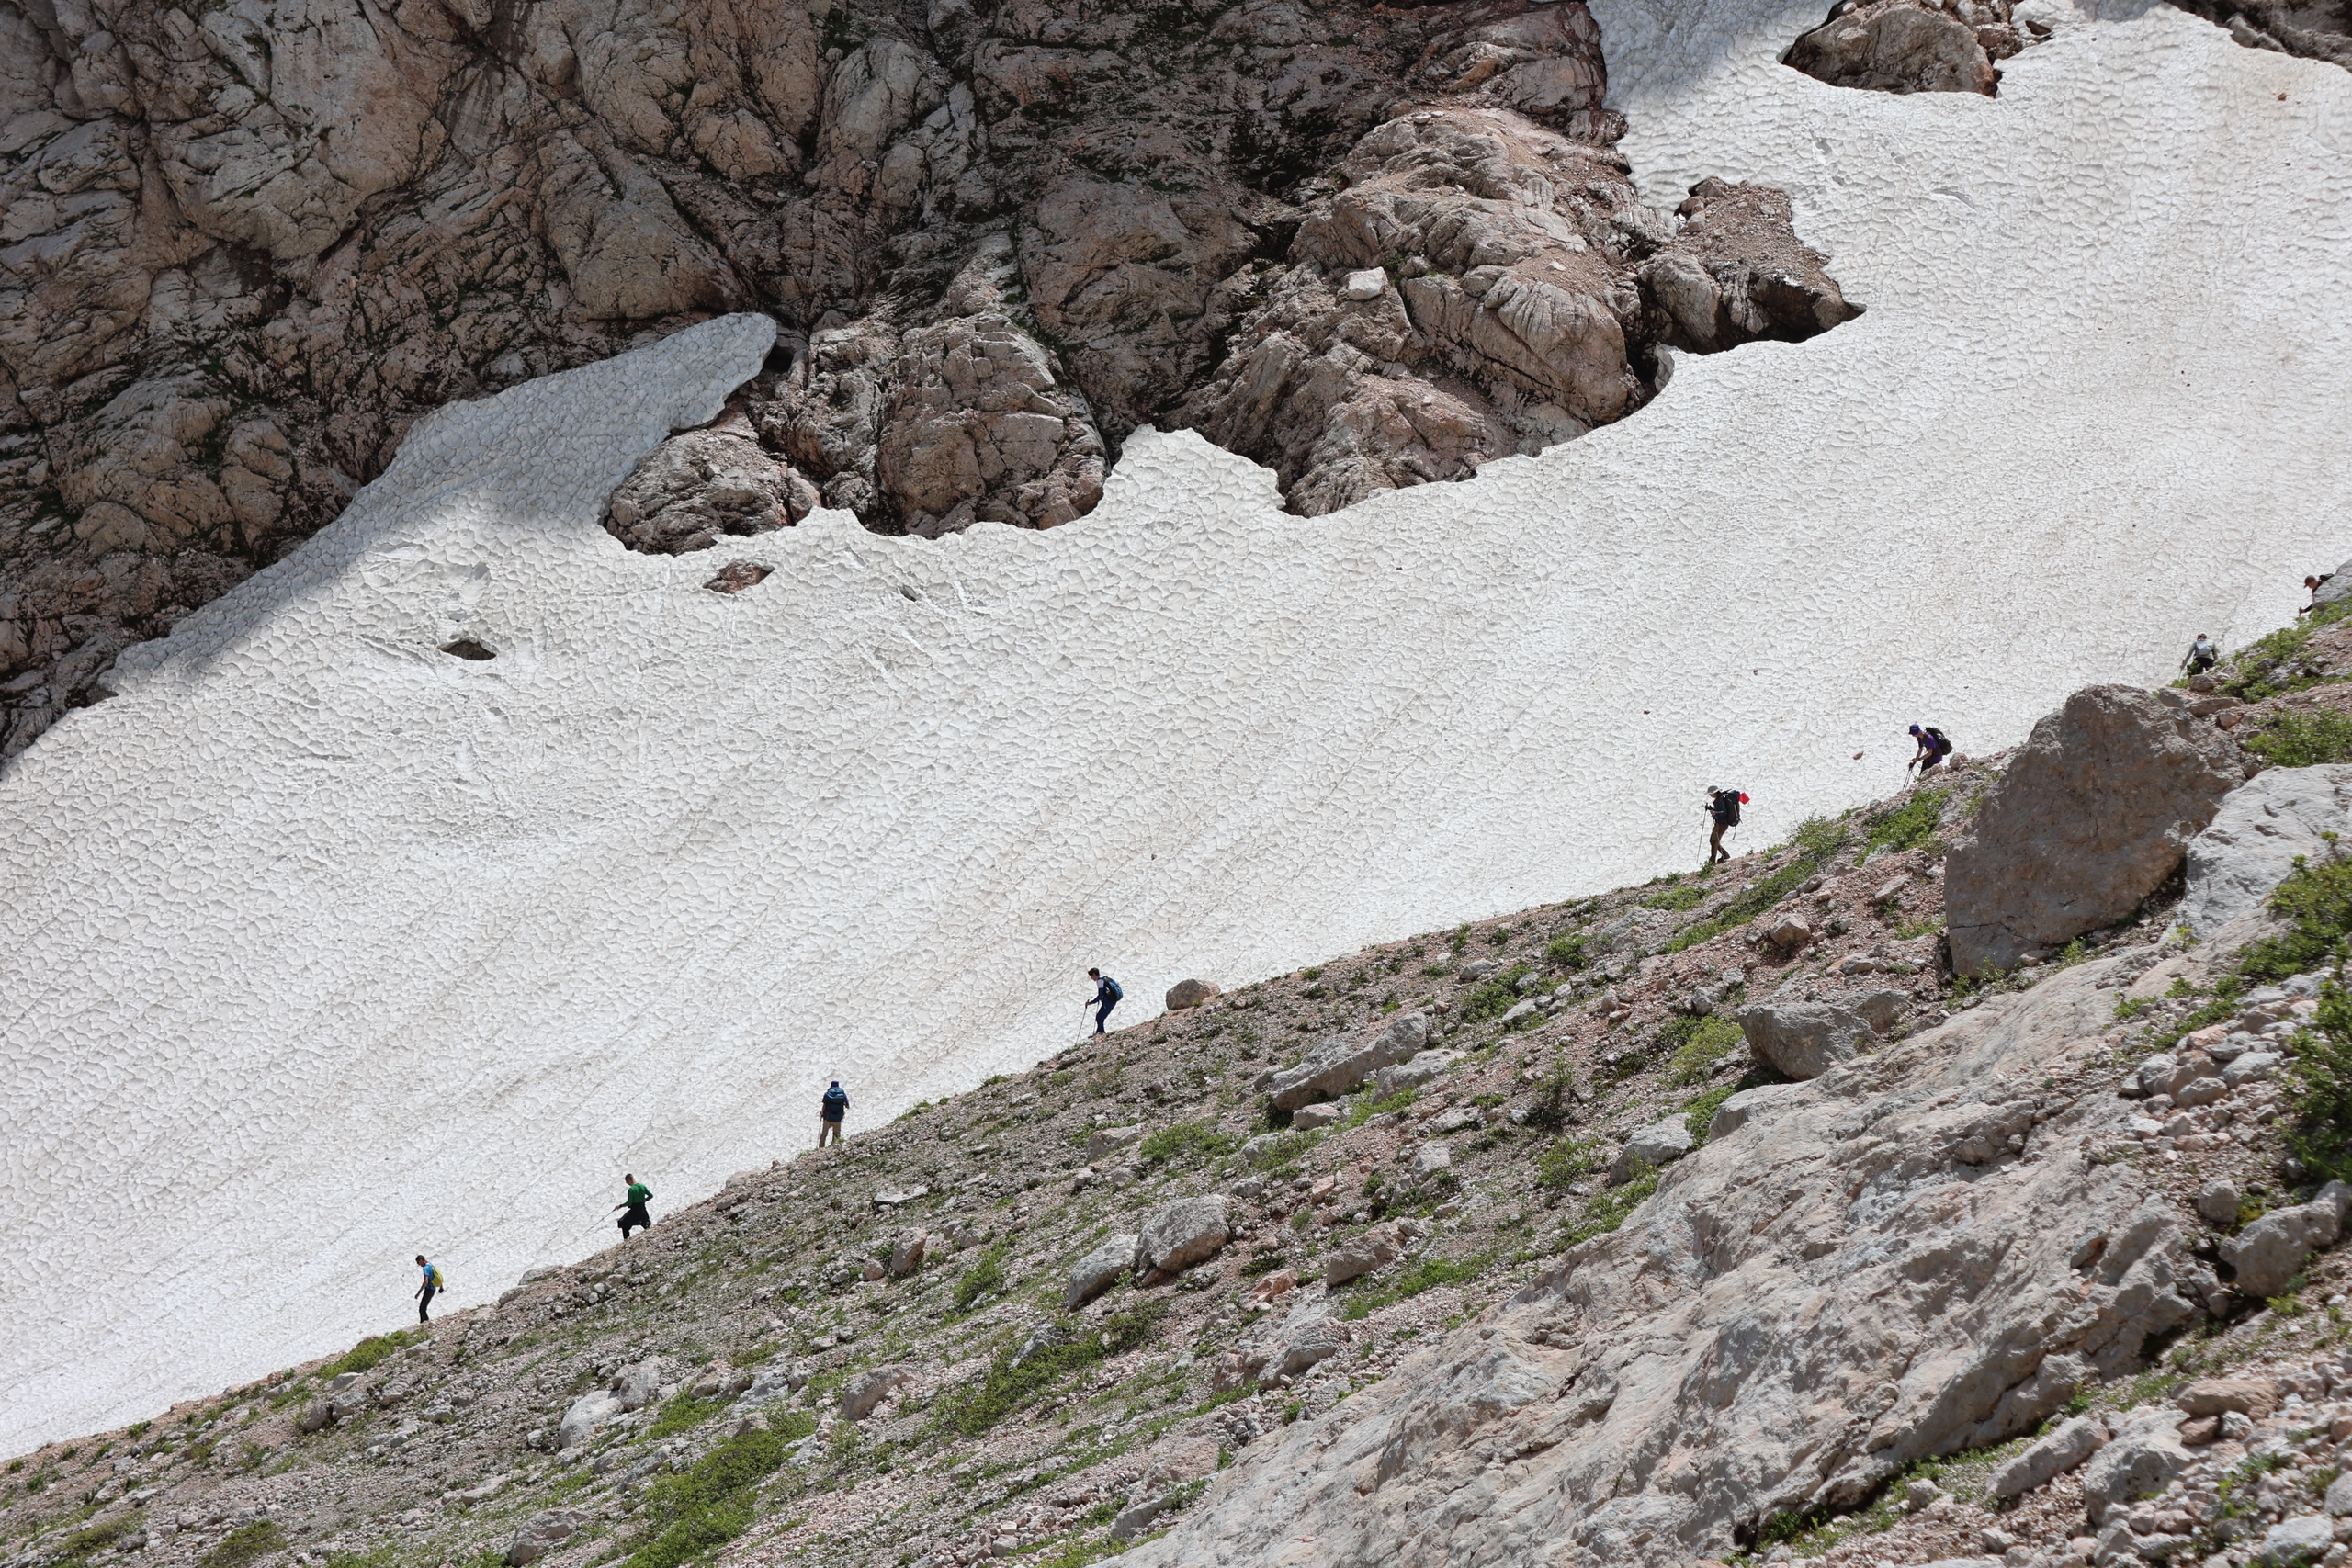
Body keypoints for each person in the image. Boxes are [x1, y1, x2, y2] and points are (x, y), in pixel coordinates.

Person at [1703, 786, 1746, 865]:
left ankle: (1713, 859)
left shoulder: (1720, 800)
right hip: (1721, 823)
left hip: (1722, 823)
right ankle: (1724, 855)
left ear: (1715, 793)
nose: (1710, 795)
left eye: (1710, 793)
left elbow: (1724, 812)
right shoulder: (1720, 799)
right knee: (1713, 841)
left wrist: (1715, 813)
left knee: (1714, 841)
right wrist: (1711, 809)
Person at [614, 1173, 653, 1240]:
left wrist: (620, 1206)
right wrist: (645, 1200)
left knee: (623, 1223)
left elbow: (629, 1202)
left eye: (626, 1182)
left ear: (629, 1180)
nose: (627, 1183)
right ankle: (650, 1237)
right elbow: (651, 1196)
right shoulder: (642, 1186)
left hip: (634, 1211)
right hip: (643, 1210)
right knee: (646, 1224)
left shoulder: (631, 1189)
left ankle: (626, 1239)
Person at [1086, 967, 1123, 1034]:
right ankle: (1099, 1032)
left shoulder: (1100, 981)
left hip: (1108, 1002)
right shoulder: (1105, 978)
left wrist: (1091, 1003)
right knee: (1100, 1017)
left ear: (1094, 974)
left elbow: (1100, 995)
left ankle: (1101, 1033)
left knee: (1099, 1018)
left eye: (1091, 976)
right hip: (1112, 1000)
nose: (1092, 978)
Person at [818, 1080, 850, 1147]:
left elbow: (824, 1105)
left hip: (828, 1118)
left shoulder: (827, 1094)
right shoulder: (843, 1095)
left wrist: (822, 1112)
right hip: (838, 1119)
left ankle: (821, 1148)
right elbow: (848, 1106)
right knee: (836, 1134)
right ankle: (834, 1148)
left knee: (824, 1134)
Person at [414, 1255, 442, 1323]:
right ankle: (423, 1323)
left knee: (422, 1309)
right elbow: (437, 1275)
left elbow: (426, 1281)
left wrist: (419, 1292)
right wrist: (441, 1286)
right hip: (433, 1289)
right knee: (423, 1308)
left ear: (421, 1260)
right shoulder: (430, 1265)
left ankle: (425, 1323)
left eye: (418, 1262)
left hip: (429, 1289)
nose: (418, 1264)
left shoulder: (426, 1268)